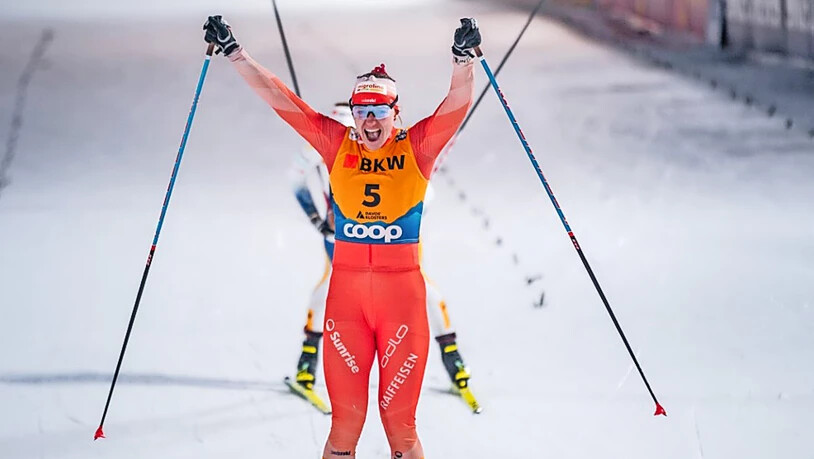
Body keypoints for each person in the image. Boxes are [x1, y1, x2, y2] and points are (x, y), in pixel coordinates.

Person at [204, 15, 480, 458]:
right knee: (345, 425)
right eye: (361, 111)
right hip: (347, 301)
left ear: (396, 112)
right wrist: (235, 52)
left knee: (400, 429)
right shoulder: (336, 145)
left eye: (379, 111)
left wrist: (462, 62)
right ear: (352, 113)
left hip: (401, 301)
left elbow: (455, 105)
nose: (370, 122)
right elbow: (281, 98)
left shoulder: (417, 148)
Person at [290, 103, 472, 396]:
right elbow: (295, 179)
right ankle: (307, 361)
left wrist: (405, 215)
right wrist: (318, 220)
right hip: (345, 238)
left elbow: (428, 194)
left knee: (423, 290)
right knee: (326, 291)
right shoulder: (324, 144)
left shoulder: (389, 144)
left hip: (392, 240)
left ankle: (453, 359)